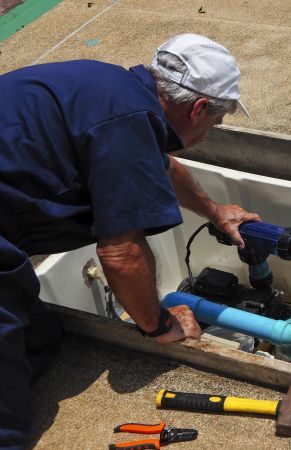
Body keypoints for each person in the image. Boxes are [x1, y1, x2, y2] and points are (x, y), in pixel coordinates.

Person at [0, 34, 260, 447]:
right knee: (7, 420)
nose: (215, 129)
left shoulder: (112, 89)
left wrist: (215, 211)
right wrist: (157, 326)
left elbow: (162, 166)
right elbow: (120, 253)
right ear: (198, 109)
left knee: (40, 339)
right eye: (218, 119)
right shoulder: (126, 120)